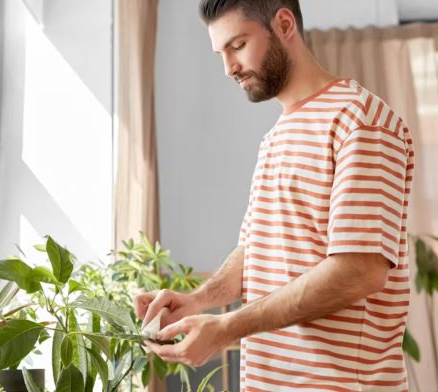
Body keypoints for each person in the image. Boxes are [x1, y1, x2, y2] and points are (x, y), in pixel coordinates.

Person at [135, 0, 415, 391]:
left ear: (284, 23)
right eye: (221, 53)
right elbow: (256, 249)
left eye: (237, 45)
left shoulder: (360, 122)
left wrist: (227, 327)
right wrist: (198, 300)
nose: (228, 68)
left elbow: (359, 271)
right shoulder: (276, 137)